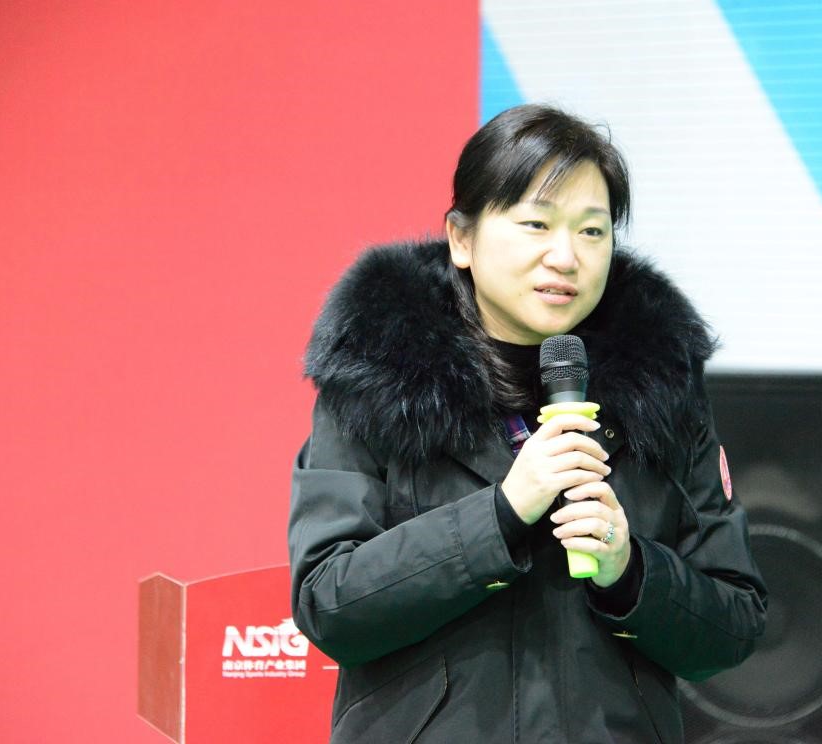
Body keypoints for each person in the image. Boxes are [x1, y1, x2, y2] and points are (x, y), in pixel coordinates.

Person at [289, 103, 767, 743]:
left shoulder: (663, 388)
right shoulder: (377, 376)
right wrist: (502, 513)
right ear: (463, 239)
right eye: (536, 224)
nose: (565, 257)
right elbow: (330, 605)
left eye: (592, 231)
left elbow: (732, 625)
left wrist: (630, 572)